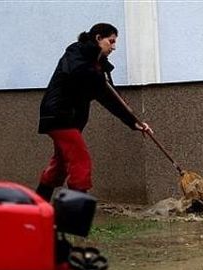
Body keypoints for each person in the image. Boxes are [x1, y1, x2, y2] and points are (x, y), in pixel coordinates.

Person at [35, 23, 152, 201]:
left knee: (60, 164)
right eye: (111, 41)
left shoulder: (100, 65)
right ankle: (73, 220)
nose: (114, 47)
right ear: (98, 38)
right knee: (81, 162)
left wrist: (133, 122)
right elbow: (77, 72)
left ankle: (36, 208)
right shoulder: (76, 52)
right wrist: (97, 75)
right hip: (59, 115)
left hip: (72, 119)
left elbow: (110, 99)